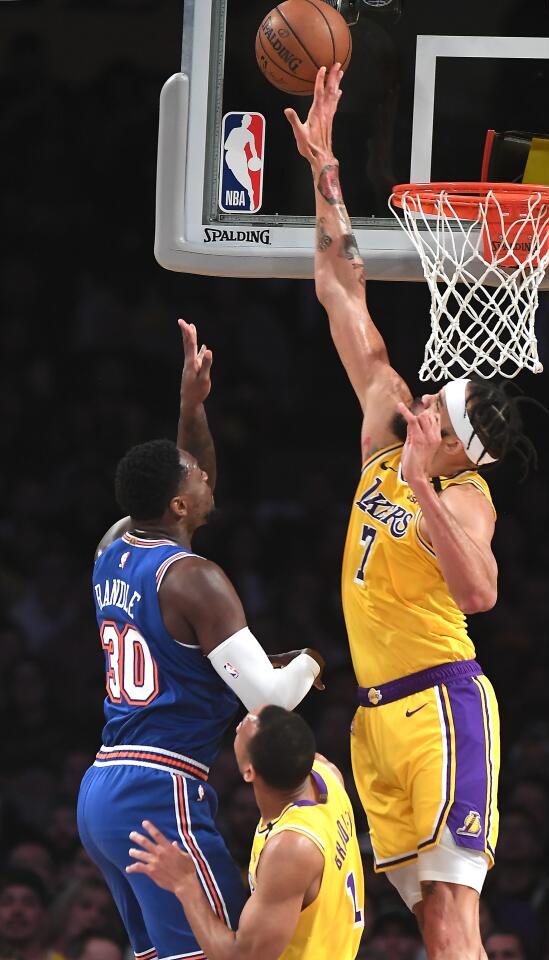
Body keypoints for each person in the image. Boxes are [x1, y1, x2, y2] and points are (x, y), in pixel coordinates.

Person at [285, 64, 536, 958]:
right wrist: (325, 168)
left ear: (464, 449)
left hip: (443, 703)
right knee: (426, 923)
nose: (426, 405)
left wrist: (426, 487)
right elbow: (339, 286)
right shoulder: (385, 425)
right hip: (377, 715)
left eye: (444, 415)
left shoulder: (466, 496)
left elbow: (481, 595)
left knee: (454, 921)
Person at [77, 321, 325, 959]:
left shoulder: (112, 550)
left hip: (104, 789)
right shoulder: (198, 581)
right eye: (196, 478)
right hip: (161, 791)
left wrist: (193, 407)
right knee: (229, 952)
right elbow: (269, 700)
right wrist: (311, 658)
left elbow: (188, 657)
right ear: (180, 507)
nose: (208, 478)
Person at [126, 704, 364, 960]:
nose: (241, 723)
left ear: (249, 771)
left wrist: (186, 885)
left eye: (245, 727)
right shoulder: (326, 772)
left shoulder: (290, 849)